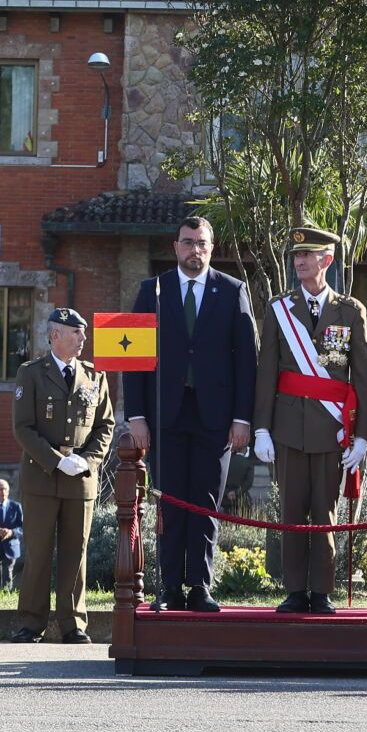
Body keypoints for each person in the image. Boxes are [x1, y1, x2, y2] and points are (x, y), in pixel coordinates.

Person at [122, 216, 258, 612]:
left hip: (215, 419)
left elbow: (246, 361)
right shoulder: (152, 290)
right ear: (175, 247)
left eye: (201, 243)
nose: (194, 250)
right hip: (165, 417)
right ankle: (169, 588)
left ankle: (199, 587)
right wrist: (136, 416)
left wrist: (242, 418)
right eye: (187, 242)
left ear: (211, 248)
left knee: (205, 503)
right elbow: (133, 359)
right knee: (170, 503)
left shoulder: (232, 290)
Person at [253, 226, 367, 615]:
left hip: (331, 429)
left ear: (327, 260)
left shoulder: (350, 310)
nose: (299, 261)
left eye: (307, 255)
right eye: (296, 256)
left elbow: (363, 377)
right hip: (289, 427)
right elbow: (266, 372)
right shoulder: (279, 309)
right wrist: (261, 428)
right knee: (291, 510)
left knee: (325, 511)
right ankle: (294, 590)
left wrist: (362, 436)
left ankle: (321, 591)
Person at [10, 307, 115, 644]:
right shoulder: (31, 373)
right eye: (76, 332)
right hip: (41, 475)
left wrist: (88, 460)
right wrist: (56, 461)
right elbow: (23, 428)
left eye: (83, 332)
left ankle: (73, 623)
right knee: (38, 550)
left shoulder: (94, 375)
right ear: (55, 335)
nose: (83, 338)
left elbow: (105, 425)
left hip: (80, 477)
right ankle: (31, 622)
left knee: (75, 552)